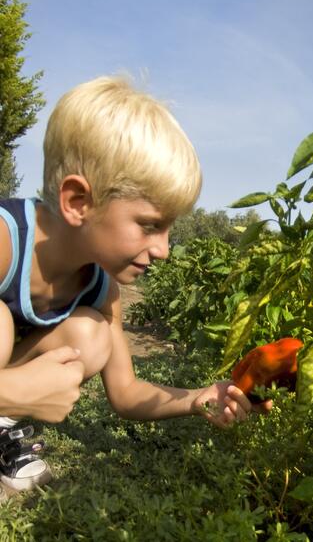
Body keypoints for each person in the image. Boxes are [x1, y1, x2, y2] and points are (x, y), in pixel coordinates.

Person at [0, 76, 259, 494]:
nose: (164, 250)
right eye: (150, 225)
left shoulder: (102, 290)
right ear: (78, 202)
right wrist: (10, 392)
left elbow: (125, 392)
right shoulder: (6, 240)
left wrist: (197, 397)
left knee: (92, 334)